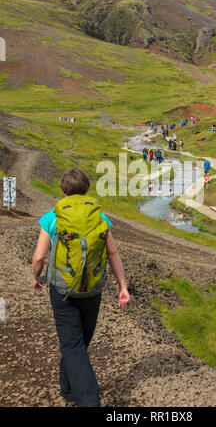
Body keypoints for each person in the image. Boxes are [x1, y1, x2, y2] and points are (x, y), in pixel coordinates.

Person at [32, 168, 130, 407]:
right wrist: (122, 287)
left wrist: (36, 278)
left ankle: (88, 400)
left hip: (62, 290)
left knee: (72, 346)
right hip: (93, 290)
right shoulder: (100, 218)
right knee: (78, 344)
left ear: (63, 189)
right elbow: (113, 253)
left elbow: (39, 257)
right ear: (86, 189)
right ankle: (67, 388)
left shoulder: (52, 217)